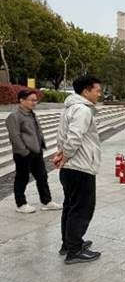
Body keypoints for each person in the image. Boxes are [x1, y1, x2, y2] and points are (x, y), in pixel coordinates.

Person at [53, 75, 102, 264]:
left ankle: (68, 244)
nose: (99, 94)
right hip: (80, 167)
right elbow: (74, 137)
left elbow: (63, 136)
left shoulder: (70, 107)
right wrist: (65, 156)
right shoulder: (82, 110)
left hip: (71, 167)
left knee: (70, 206)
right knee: (82, 208)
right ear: (86, 91)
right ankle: (74, 250)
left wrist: (61, 155)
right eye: (97, 90)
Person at [6, 89, 62, 214]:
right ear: (22, 100)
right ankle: (21, 204)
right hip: (23, 153)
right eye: (31, 100)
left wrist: (41, 146)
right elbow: (15, 136)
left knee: (42, 176)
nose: (34, 102)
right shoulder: (14, 116)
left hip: (37, 151)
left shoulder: (31, 114)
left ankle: (47, 201)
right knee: (22, 178)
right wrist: (24, 151)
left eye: (36, 100)